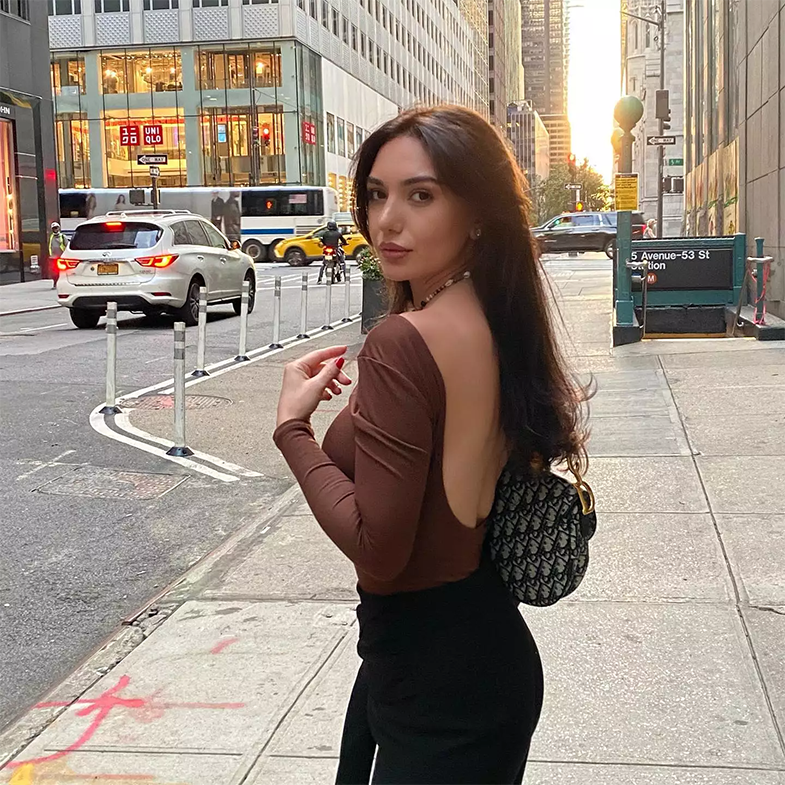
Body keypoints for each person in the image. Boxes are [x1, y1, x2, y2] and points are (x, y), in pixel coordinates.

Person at [273, 105, 590, 784]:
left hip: (435, 675)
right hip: (473, 652)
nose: (387, 220)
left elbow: (379, 548)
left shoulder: (405, 340)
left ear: (475, 212)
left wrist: (292, 431)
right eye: (376, 195)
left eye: (420, 196)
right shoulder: (494, 314)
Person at [48, 222, 67, 289]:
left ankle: (63, 283)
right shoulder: (51, 237)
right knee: (54, 272)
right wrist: (50, 255)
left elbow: (66, 245)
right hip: (53, 257)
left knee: (62, 271)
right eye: (54, 228)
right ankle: (55, 283)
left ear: (59, 228)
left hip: (61, 257)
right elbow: (50, 246)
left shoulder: (62, 236)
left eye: (56, 228)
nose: (55, 229)